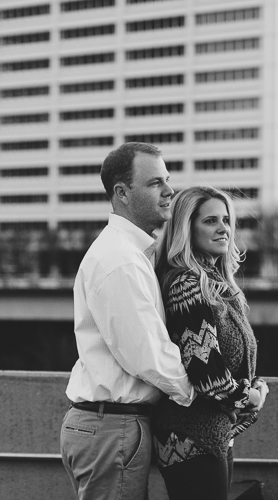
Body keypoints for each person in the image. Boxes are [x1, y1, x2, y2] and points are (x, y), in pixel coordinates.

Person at [60, 142, 195, 500]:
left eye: (168, 180)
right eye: (155, 183)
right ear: (121, 192)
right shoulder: (119, 259)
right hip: (112, 426)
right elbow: (145, 352)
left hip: (108, 425)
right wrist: (201, 396)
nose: (169, 191)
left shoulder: (128, 252)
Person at [152, 186, 269, 500]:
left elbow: (230, 362)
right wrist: (251, 396)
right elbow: (206, 372)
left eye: (227, 220)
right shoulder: (187, 285)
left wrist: (255, 384)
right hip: (189, 439)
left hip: (211, 435)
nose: (224, 228)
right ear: (186, 229)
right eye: (210, 221)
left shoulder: (216, 287)